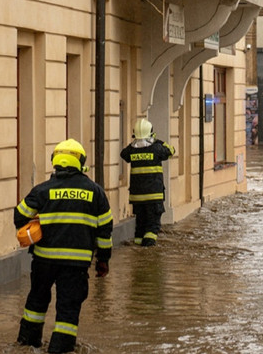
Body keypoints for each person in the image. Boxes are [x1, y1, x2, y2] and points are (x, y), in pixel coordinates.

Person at [14, 139, 113, 353]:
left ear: (55, 161)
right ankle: (60, 349)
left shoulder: (42, 190)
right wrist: (103, 260)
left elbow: (19, 216)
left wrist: (38, 222)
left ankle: (27, 343)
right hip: (76, 265)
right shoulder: (96, 192)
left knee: (37, 301)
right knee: (68, 309)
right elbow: (105, 230)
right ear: (81, 162)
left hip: (44, 261)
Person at [120, 118, 176, 247]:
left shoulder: (132, 150)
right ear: (150, 132)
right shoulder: (157, 148)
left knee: (140, 224)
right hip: (153, 196)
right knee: (153, 224)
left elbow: (124, 154)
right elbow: (171, 150)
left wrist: (135, 141)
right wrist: (156, 140)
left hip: (137, 196)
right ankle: (148, 250)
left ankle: (138, 248)